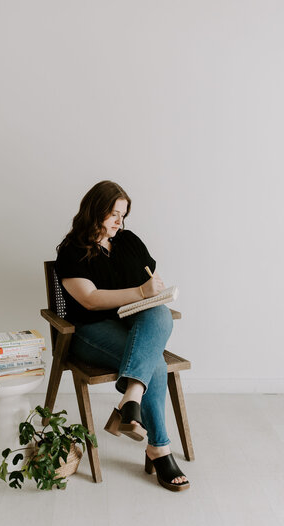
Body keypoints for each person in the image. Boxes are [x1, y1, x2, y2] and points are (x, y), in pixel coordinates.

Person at [55, 180, 190, 492]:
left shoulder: (128, 241)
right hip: (89, 332)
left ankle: (130, 400)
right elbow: (88, 299)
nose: (119, 221)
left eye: (123, 215)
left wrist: (154, 291)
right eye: (113, 214)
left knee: (159, 313)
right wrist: (141, 291)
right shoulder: (71, 251)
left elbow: (150, 278)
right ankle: (159, 448)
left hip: (132, 326)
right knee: (153, 361)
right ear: (94, 211)